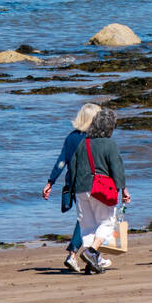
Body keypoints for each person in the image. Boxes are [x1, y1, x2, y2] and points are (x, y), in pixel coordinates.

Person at [66, 106, 130, 274]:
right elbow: (117, 168)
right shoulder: (110, 144)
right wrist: (123, 189)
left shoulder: (83, 143)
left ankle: (91, 264)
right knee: (107, 223)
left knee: (87, 226)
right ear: (109, 127)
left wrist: (71, 189)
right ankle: (91, 251)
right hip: (100, 189)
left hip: (80, 188)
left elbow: (72, 167)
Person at [41, 102, 101, 273]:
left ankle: (87, 255)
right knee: (92, 220)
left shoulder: (71, 137)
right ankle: (77, 254)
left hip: (73, 183)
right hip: (92, 183)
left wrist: (50, 182)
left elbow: (61, 161)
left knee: (85, 218)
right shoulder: (95, 139)